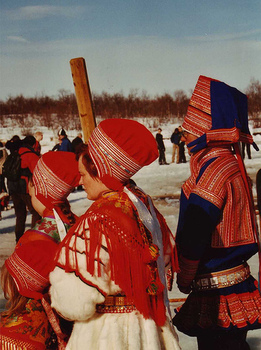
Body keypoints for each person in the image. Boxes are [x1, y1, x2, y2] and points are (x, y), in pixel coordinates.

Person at [49, 119, 180, 350]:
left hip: (107, 336)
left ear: (101, 172)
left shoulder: (98, 219)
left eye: (83, 175)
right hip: (149, 331)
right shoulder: (143, 204)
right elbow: (165, 257)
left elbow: (74, 300)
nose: (80, 182)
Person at [172, 75, 261, 350]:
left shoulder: (212, 170)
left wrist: (184, 277)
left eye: (190, 128)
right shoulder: (229, 163)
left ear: (204, 130)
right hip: (235, 280)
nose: (184, 136)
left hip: (215, 287)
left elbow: (195, 232)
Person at [0, 151, 80, 350]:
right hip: (75, 323)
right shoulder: (78, 224)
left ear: (39, 189)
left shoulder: (35, 237)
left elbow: (14, 288)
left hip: (43, 327)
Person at [6, 135, 41, 242]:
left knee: (20, 215)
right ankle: (34, 238)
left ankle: (18, 239)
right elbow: (37, 172)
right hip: (25, 188)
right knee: (36, 212)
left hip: (13, 187)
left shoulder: (16, 152)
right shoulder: (30, 155)